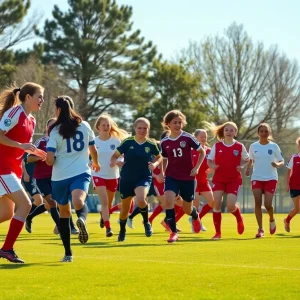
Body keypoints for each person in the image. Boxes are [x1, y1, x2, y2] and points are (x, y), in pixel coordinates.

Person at [46, 96, 100, 262]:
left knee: (64, 212)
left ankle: (68, 253)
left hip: (60, 177)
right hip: (81, 172)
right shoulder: (84, 125)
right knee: (79, 201)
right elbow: (93, 148)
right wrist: (96, 163)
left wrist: (48, 157)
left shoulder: (54, 130)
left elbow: (49, 160)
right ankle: (81, 219)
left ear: (58, 110)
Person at [0, 82, 45, 263]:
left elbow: (22, 146)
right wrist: (21, 146)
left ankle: (6, 249)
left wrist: (34, 152)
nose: (42, 100)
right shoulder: (14, 113)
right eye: (39, 96)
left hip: (13, 170)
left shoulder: (32, 120)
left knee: (6, 214)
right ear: (28, 97)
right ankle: (7, 249)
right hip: (2, 169)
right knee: (26, 205)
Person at [110, 117, 162, 242]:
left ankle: (146, 222)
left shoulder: (151, 144)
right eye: (139, 128)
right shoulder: (127, 142)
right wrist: (116, 162)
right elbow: (114, 156)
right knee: (125, 209)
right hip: (127, 178)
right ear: (135, 128)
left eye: (145, 128)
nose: (142, 130)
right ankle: (122, 230)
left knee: (141, 199)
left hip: (144, 176)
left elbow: (160, 157)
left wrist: (155, 164)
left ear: (148, 130)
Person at [25, 118, 78, 235]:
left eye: (56, 126)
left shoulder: (62, 141)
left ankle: (29, 217)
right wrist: (40, 157)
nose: (54, 128)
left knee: (59, 202)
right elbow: (28, 158)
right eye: (51, 126)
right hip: (42, 178)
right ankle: (63, 227)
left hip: (57, 177)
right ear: (47, 128)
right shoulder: (41, 142)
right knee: (53, 203)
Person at [160, 110, 205, 243]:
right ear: (168, 124)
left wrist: (196, 168)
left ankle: (195, 216)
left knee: (187, 208)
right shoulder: (164, 142)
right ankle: (173, 232)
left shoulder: (188, 138)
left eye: (180, 122)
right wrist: (163, 172)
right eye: (175, 122)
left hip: (188, 177)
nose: (178, 125)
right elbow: (164, 158)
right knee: (168, 200)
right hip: (171, 176)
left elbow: (202, 152)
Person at [207, 121, 249, 240]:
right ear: (223, 132)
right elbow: (209, 160)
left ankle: (239, 217)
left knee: (230, 206)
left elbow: (247, 159)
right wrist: (212, 166)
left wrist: (242, 166)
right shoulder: (217, 146)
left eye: (232, 130)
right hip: (219, 178)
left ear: (235, 132)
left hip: (233, 179)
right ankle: (217, 233)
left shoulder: (239, 146)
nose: (229, 132)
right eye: (226, 130)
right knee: (217, 203)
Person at [91, 113, 128, 237]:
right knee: (105, 202)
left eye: (108, 125)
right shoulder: (94, 141)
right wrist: (92, 163)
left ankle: (104, 216)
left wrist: (118, 162)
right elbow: (86, 158)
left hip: (113, 176)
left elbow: (123, 157)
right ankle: (108, 228)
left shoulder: (116, 141)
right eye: (103, 125)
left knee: (109, 204)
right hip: (98, 174)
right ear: (98, 127)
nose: (106, 127)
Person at [245, 123, 284, 238]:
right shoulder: (253, 146)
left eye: (266, 131)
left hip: (271, 177)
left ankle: (271, 219)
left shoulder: (274, 146)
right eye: (261, 131)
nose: (263, 133)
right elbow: (251, 160)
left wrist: (277, 164)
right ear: (258, 133)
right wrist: (248, 169)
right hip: (257, 177)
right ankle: (260, 229)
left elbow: (282, 161)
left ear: (269, 133)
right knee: (257, 203)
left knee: (268, 205)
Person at [190, 129, 214, 232]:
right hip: (193, 181)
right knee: (195, 206)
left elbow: (213, 162)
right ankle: (195, 224)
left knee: (213, 202)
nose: (204, 138)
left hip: (204, 181)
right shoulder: (190, 150)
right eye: (201, 137)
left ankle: (197, 220)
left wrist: (211, 168)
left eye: (205, 136)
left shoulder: (209, 150)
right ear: (196, 138)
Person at [284, 137, 300, 232]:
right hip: (294, 186)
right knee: (297, 209)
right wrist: (287, 184)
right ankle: (287, 220)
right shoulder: (294, 157)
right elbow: (288, 171)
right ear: (298, 147)